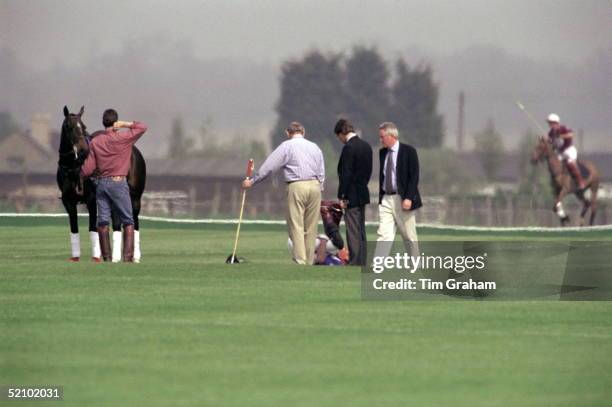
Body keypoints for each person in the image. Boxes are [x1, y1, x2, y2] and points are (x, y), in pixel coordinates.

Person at [242, 122, 324, 265]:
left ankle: (300, 260)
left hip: (297, 185)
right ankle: (310, 261)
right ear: (303, 132)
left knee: (296, 225)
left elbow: (269, 167)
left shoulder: (286, 146)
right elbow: (321, 170)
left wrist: (253, 181)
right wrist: (320, 186)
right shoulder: (314, 147)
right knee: (311, 227)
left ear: (288, 133)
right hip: (315, 185)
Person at [81, 109, 147, 262]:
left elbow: (88, 169)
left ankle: (107, 258)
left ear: (103, 123)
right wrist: (125, 124)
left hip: (102, 185)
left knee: (103, 221)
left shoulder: (96, 142)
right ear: (115, 122)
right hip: (119, 183)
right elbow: (142, 127)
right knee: (128, 220)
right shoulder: (124, 138)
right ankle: (128, 258)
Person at [375, 122, 422, 257]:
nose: (380, 139)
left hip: (402, 198)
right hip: (386, 198)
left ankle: (414, 264)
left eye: (382, 136)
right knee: (384, 233)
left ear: (392, 136)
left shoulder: (409, 151)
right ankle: (378, 265)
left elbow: (414, 176)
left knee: (408, 235)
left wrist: (408, 197)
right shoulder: (382, 153)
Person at [334, 119, 372, 266]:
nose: (340, 141)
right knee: (361, 229)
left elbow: (346, 174)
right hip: (363, 191)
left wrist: (342, 195)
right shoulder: (366, 146)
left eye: (339, 137)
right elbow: (368, 171)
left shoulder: (349, 148)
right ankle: (362, 259)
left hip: (351, 194)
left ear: (342, 133)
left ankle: (355, 261)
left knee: (353, 230)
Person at [546, 113, 585, 190]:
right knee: (554, 164)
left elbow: (571, 134)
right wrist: (545, 139)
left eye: (551, 123)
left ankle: (581, 181)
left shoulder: (563, 128)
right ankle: (558, 182)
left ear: (556, 123)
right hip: (560, 152)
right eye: (549, 123)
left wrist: (560, 136)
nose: (549, 125)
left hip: (569, 150)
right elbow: (549, 141)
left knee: (571, 163)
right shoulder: (551, 132)